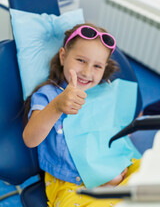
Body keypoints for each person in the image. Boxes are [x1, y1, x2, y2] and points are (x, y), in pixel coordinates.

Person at [23, 23, 141, 207]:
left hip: (107, 168)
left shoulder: (103, 91)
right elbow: (30, 139)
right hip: (70, 181)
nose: (87, 72)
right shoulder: (48, 95)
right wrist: (56, 107)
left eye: (97, 66)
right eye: (81, 60)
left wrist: (115, 164)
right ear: (63, 56)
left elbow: (115, 133)